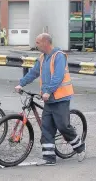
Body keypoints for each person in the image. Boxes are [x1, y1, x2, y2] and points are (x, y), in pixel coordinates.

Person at [15, 33, 86, 166]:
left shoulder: (58, 56)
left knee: (63, 126)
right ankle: (49, 158)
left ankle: (80, 148)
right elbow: (33, 73)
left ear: (46, 43)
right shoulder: (42, 57)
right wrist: (21, 83)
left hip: (60, 98)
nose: (36, 45)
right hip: (49, 99)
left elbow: (58, 77)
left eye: (38, 42)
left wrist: (47, 91)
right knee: (46, 128)